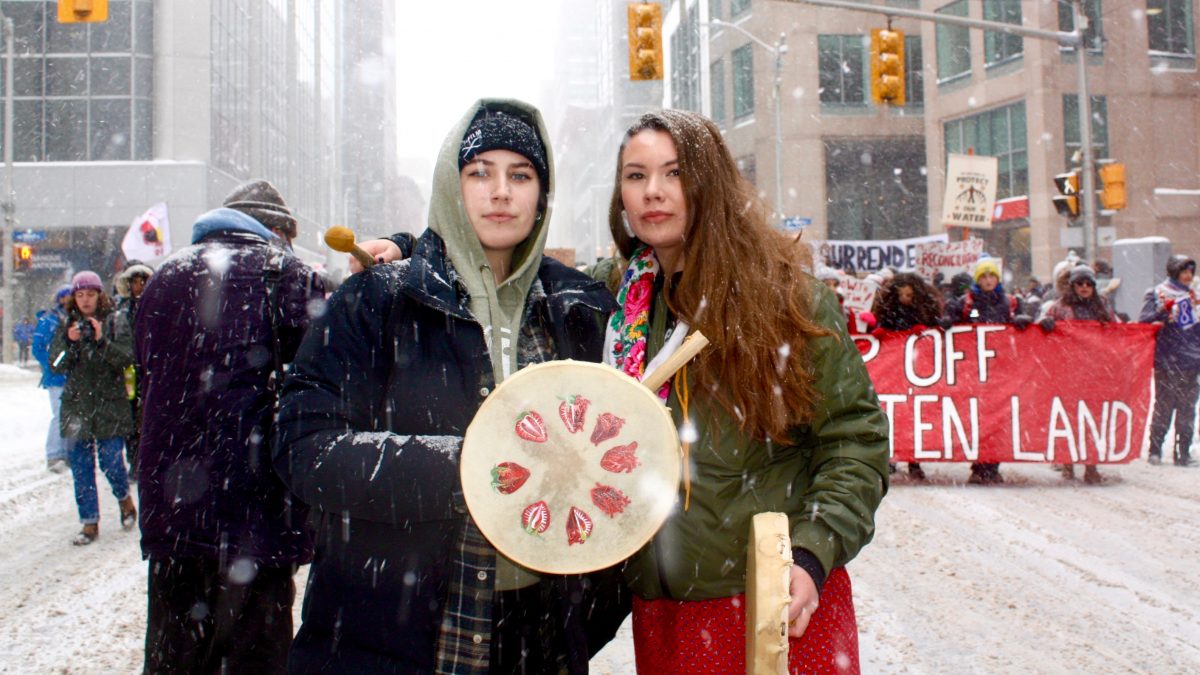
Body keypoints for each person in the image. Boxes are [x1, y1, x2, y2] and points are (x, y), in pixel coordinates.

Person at [276, 99, 627, 673]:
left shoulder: (579, 308)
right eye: (479, 172)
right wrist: (471, 467)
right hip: (392, 637)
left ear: (542, 192)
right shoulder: (377, 301)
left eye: (521, 175)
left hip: (536, 641)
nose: (501, 192)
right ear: (451, 183)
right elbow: (304, 447)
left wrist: (580, 616)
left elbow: (617, 461)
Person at [600, 109, 888, 673]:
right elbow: (519, 272)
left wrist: (809, 554)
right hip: (661, 609)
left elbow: (855, 442)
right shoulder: (621, 298)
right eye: (635, 176)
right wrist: (403, 246)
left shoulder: (787, 300)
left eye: (674, 172)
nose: (652, 191)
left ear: (708, 182)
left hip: (770, 607)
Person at [134, 180, 325, 673]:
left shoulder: (162, 277)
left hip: (173, 508)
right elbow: (321, 385)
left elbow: (148, 375)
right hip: (254, 510)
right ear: (277, 230)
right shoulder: (287, 274)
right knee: (253, 654)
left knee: (174, 652)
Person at [48, 271, 137, 546]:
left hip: (109, 404)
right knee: (81, 466)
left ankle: (124, 498)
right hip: (77, 406)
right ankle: (89, 522)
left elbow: (126, 358)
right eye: (80, 295)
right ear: (74, 298)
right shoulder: (66, 324)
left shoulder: (115, 320)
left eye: (90, 294)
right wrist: (70, 342)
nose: (85, 300)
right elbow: (55, 364)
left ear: (100, 295)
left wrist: (102, 341)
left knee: (111, 461)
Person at [946, 259, 1022, 484]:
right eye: (983, 277)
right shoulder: (965, 302)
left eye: (992, 276)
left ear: (997, 279)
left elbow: (1021, 322)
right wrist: (948, 320)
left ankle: (993, 464)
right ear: (977, 280)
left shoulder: (1009, 302)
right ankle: (978, 464)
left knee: (998, 418)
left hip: (1000, 370)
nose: (988, 281)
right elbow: (950, 318)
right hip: (971, 370)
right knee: (976, 417)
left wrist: (1023, 322)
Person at [1041, 265, 1118, 483]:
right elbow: (1043, 326)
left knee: (1092, 418)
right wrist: (1046, 324)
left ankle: (1091, 465)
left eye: (1088, 284)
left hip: (1094, 370)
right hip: (1068, 370)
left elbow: (1116, 330)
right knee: (1070, 417)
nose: (1084, 288)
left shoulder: (1102, 306)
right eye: (1080, 284)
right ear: (1072, 286)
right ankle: (1068, 462)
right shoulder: (1059, 307)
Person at [872, 272, 944, 481]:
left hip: (917, 371)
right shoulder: (888, 309)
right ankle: (891, 458)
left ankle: (914, 461)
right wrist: (881, 331)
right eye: (902, 295)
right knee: (891, 415)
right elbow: (882, 324)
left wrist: (927, 331)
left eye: (909, 295)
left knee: (914, 416)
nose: (905, 299)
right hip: (893, 372)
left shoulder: (924, 309)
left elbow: (936, 326)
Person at [1140, 254, 1200, 467]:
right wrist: (1163, 312)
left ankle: (1183, 452)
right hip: (1167, 358)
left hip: (1192, 360)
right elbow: (1144, 321)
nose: (1188, 276)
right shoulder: (1158, 293)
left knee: (1187, 408)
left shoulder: (1195, 295)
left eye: (1190, 272)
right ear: (1174, 272)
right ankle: (1155, 449)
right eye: (1184, 272)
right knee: (1164, 406)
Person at [115, 262, 153, 480]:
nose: (139, 286)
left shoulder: (158, 305)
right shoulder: (121, 311)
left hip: (151, 367)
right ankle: (134, 459)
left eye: (143, 280)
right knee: (130, 416)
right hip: (130, 371)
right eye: (135, 281)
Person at [32, 285, 73, 473]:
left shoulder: (75, 319)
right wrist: (51, 365)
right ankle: (54, 454)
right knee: (60, 414)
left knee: (72, 415)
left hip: (74, 377)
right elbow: (38, 347)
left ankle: (68, 453)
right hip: (56, 378)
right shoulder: (49, 320)